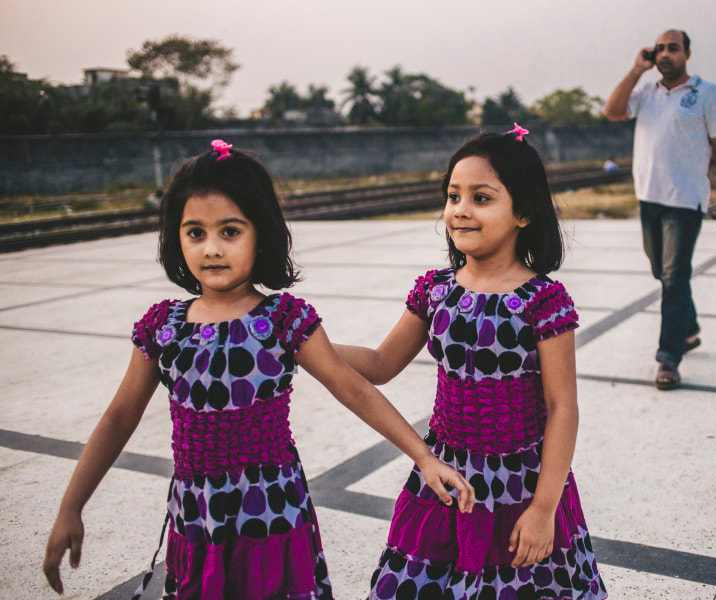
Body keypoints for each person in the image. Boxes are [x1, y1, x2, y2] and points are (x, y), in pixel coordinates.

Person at [42, 141, 475, 599]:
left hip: (271, 510)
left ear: (260, 235)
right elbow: (118, 417)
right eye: (195, 233)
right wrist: (71, 506)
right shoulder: (162, 328)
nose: (211, 249)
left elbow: (355, 390)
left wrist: (423, 457)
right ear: (176, 237)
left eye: (230, 232)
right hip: (197, 515)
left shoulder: (283, 320)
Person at [335, 127, 607, 600]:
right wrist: (305, 347)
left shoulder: (542, 301)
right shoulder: (436, 291)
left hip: (521, 483)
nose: (459, 210)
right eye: (453, 196)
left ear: (522, 212)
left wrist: (544, 509)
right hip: (445, 476)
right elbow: (380, 364)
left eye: (481, 198)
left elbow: (562, 407)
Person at [602, 29, 716, 390]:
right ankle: (689, 329)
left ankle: (668, 357)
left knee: (674, 277)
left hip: (685, 200)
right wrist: (636, 69)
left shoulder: (708, 94)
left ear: (687, 54)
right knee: (661, 273)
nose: (665, 54)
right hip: (649, 197)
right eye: (660, 48)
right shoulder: (647, 92)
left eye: (672, 48)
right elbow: (612, 110)